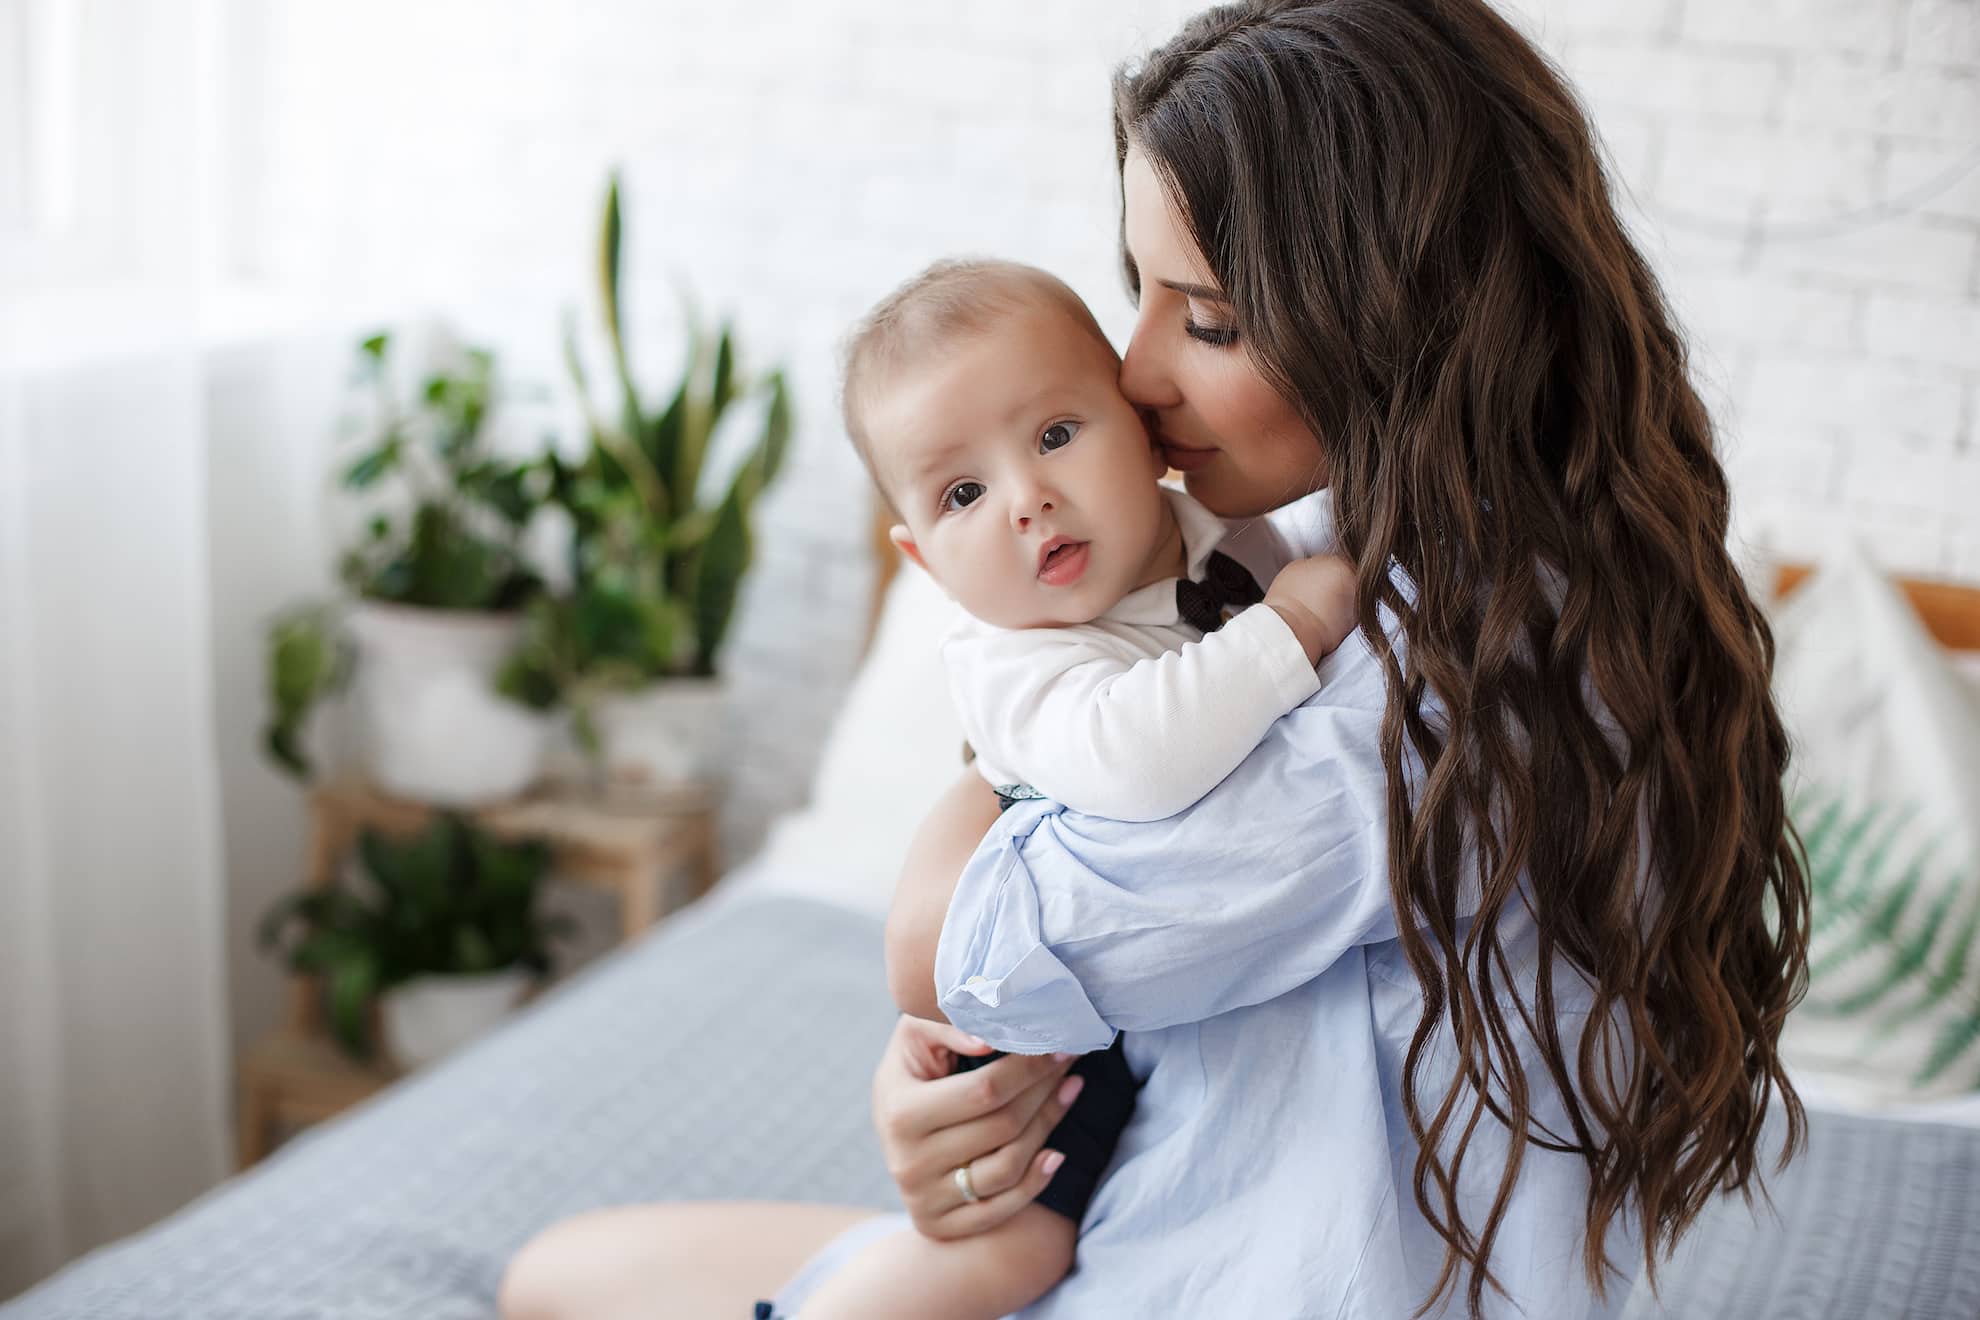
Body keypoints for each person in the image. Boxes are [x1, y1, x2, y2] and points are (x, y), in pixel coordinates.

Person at [499, 2, 1810, 1316]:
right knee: (553, 1272)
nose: (1135, 375)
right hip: (1153, 1205)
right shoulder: (1356, 545)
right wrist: (938, 1094)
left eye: (1213, 320)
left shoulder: (1431, 678)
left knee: (568, 1290)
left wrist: (982, 839)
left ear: (1399, 319)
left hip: (1210, 1278)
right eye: (1141, 295)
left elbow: (955, 943)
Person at [773, 256, 1358, 1320]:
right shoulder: (1015, 656)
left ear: (1142, 431)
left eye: (1054, 435)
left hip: (1136, 1003)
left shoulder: (1225, 536)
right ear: (925, 558)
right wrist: (1294, 629)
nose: (1027, 499)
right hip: (1033, 1027)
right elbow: (1134, 760)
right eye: (963, 493)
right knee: (1007, 1252)